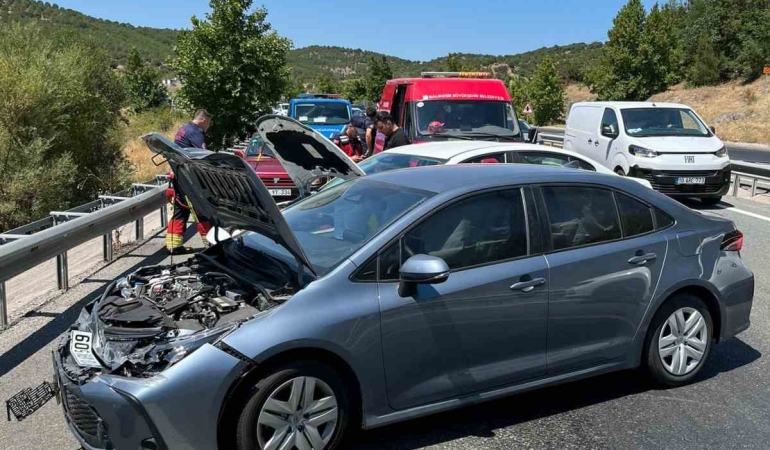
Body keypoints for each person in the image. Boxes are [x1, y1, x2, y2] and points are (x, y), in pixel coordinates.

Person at [166, 109, 213, 254]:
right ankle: (211, 244)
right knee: (201, 208)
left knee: (181, 209)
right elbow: (201, 156)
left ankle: (173, 245)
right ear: (204, 120)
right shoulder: (195, 133)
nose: (208, 127)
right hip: (188, 178)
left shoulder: (184, 129)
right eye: (209, 123)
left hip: (178, 174)